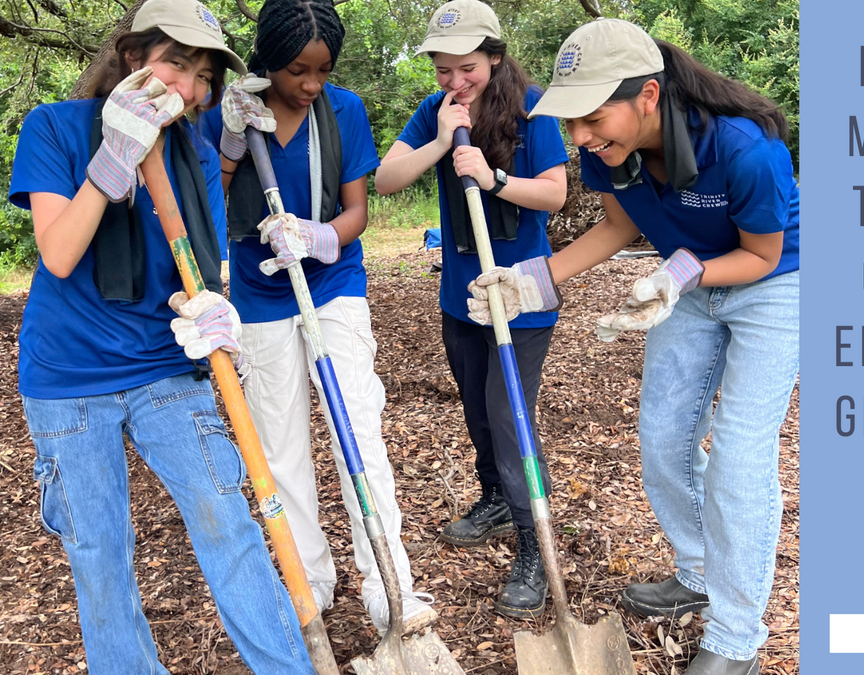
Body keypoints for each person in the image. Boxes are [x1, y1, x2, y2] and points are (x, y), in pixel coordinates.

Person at [471, 18, 799, 675]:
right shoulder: (605, 151)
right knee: (663, 438)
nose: (580, 138)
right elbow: (619, 225)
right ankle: (699, 571)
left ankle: (737, 641)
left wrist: (683, 271)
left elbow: (762, 255)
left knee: (739, 453)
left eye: (591, 119)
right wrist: (532, 282)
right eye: (571, 125)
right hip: (684, 281)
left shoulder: (742, 148)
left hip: (774, 282)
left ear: (647, 96)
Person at [8, 1, 317, 673]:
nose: (187, 88)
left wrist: (211, 309)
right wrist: (111, 161)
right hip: (69, 380)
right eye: (175, 63)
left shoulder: (195, 151)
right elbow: (59, 254)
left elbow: (195, 276)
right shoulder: (55, 128)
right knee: (99, 556)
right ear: (129, 58)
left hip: (162, 369)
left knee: (228, 524)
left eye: (201, 74)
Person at [199, 0, 436, 634]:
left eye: (323, 71)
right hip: (258, 292)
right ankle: (309, 579)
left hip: (332, 285)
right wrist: (226, 143)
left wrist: (319, 237)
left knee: (357, 428)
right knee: (279, 445)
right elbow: (208, 203)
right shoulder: (233, 110)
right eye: (297, 71)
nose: (310, 85)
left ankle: (391, 587)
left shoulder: (344, 111)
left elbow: (358, 212)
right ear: (268, 61)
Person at [374, 0, 568, 618]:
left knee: (509, 419)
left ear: (495, 57)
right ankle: (493, 498)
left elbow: (557, 196)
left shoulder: (533, 111)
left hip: (521, 299)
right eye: (443, 72)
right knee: (478, 414)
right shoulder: (434, 113)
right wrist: (439, 142)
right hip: (461, 297)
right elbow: (387, 180)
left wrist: (494, 178)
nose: (455, 83)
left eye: (467, 69)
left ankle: (534, 543)